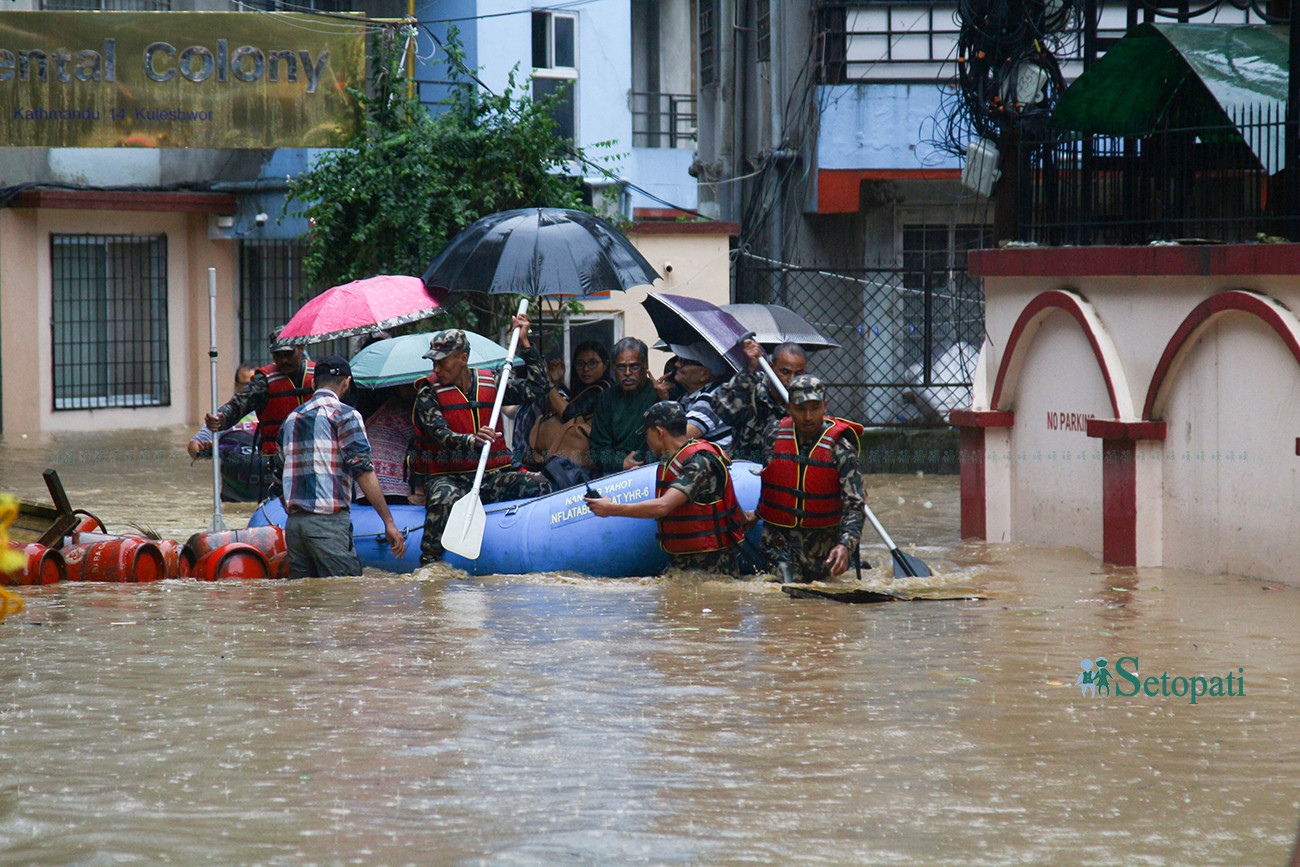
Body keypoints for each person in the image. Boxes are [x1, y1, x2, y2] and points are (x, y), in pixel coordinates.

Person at [411, 320, 554, 564]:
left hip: (492, 477)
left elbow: (538, 387)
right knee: (444, 499)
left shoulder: (494, 382)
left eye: (442, 361)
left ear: (463, 359)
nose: (437, 368)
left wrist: (526, 344)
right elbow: (441, 436)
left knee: (539, 484)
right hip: (450, 478)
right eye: (434, 362)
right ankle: (430, 563)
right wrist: (471, 440)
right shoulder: (428, 393)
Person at [277, 355, 405, 579]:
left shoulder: (291, 419)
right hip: (328, 525)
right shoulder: (346, 415)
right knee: (344, 598)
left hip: (295, 527)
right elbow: (363, 471)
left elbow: (278, 474)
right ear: (347, 383)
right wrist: (389, 522)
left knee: (303, 601)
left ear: (313, 383)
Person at [586, 401, 747, 575]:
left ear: (659, 432)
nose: (646, 440)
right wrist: (745, 518)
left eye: (647, 433)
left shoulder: (699, 461)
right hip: (683, 564)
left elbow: (663, 506)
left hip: (712, 567)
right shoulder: (673, 459)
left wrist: (611, 509)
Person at [757, 375, 866, 583]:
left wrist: (845, 545)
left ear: (825, 407)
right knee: (785, 592)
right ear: (789, 408)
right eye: (800, 409)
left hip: (822, 548)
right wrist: (755, 514)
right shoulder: (773, 434)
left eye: (815, 408)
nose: (808, 416)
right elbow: (771, 481)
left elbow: (855, 504)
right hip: (780, 544)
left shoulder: (841, 448)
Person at [205, 328, 316, 496]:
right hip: (278, 461)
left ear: (301, 348)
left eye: (289, 353)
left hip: (317, 455)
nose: (284, 360)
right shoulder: (264, 380)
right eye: (278, 355)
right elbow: (238, 404)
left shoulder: (319, 376)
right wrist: (221, 417)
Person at [714, 339, 808, 463]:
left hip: (783, 468)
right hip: (742, 464)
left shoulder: (807, 398)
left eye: (798, 373)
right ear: (771, 367)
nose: (791, 379)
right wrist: (749, 369)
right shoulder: (752, 384)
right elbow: (726, 412)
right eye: (785, 372)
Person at [530, 340, 612, 468]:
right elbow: (559, 412)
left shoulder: (603, 390)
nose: (586, 369)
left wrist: (548, 383)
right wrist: (556, 382)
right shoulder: (584, 389)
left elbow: (569, 414)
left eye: (592, 363)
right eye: (580, 364)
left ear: (605, 364)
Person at [587, 337, 659, 476]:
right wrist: (621, 463)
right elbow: (597, 449)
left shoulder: (658, 395)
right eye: (621, 367)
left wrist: (664, 399)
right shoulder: (606, 398)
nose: (627, 373)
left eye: (634, 366)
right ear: (613, 368)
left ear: (645, 366)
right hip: (614, 474)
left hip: (652, 471)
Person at [360, 384, 420, 504]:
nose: (412, 391)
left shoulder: (383, 408)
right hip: (388, 483)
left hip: (366, 483)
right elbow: (418, 437)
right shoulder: (399, 409)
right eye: (407, 387)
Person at [671, 352, 731, 445]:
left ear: (705, 374)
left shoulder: (714, 396)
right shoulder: (686, 397)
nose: (677, 364)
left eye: (685, 362)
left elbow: (680, 438)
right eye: (678, 359)